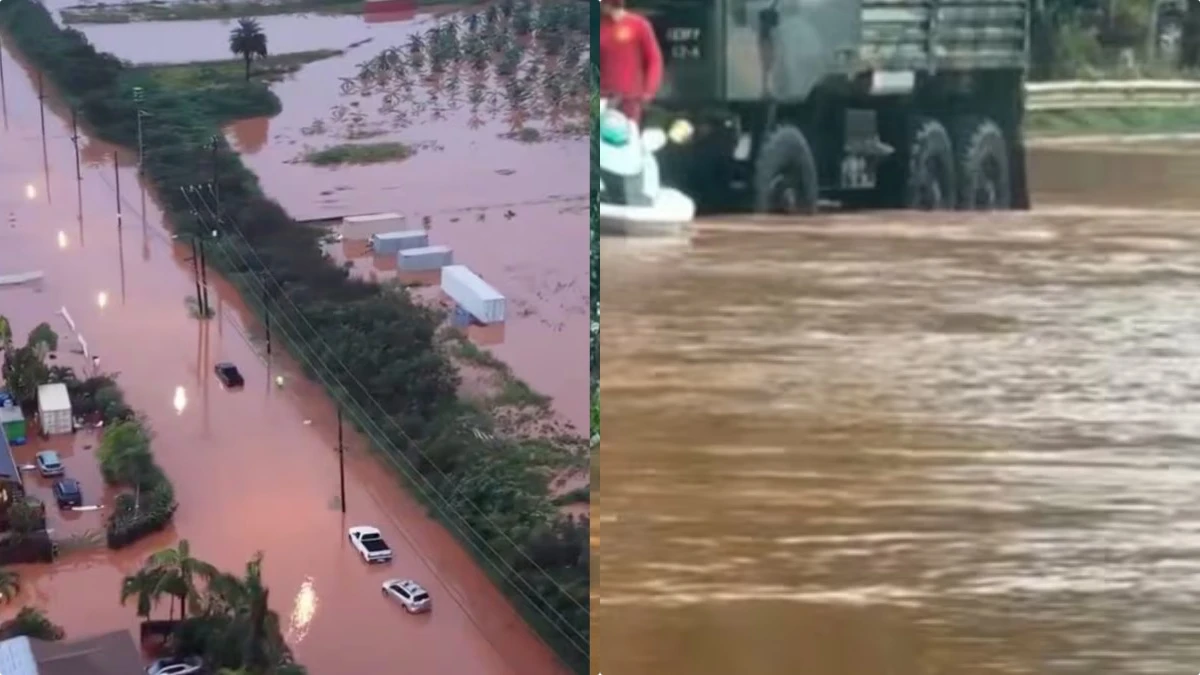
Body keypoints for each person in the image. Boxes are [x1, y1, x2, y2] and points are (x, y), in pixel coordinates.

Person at [599, 0, 663, 124]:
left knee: (628, 132)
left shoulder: (638, 24)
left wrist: (649, 90)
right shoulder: (598, 27)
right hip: (602, 97)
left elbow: (654, 59)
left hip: (630, 98)